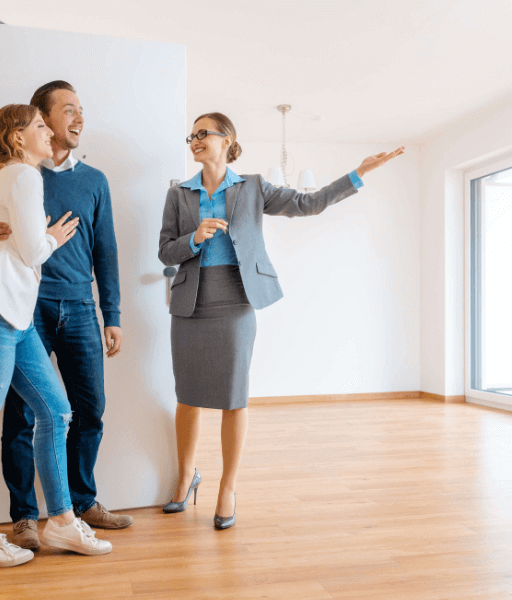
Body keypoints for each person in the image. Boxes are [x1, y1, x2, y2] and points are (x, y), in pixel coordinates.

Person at [158, 112, 404, 529]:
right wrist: (194, 239)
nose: (195, 140)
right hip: (190, 303)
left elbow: (308, 204)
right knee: (188, 395)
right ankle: (186, 478)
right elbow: (166, 251)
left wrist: (357, 174)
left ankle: (228, 488)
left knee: (234, 395)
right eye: (192, 135)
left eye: (204, 133)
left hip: (236, 300)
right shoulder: (178, 193)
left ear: (227, 139)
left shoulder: (253, 187)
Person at [0, 82, 132, 552]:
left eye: (81, 111)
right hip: (17, 307)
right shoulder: (20, 172)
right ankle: (23, 518)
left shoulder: (92, 181)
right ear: (40, 122)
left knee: (76, 410)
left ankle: (74, 508)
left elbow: (105, 250)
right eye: (66, 111)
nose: (77, 119)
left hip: (70, 307)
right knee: (17, 420)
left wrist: (110, 313)